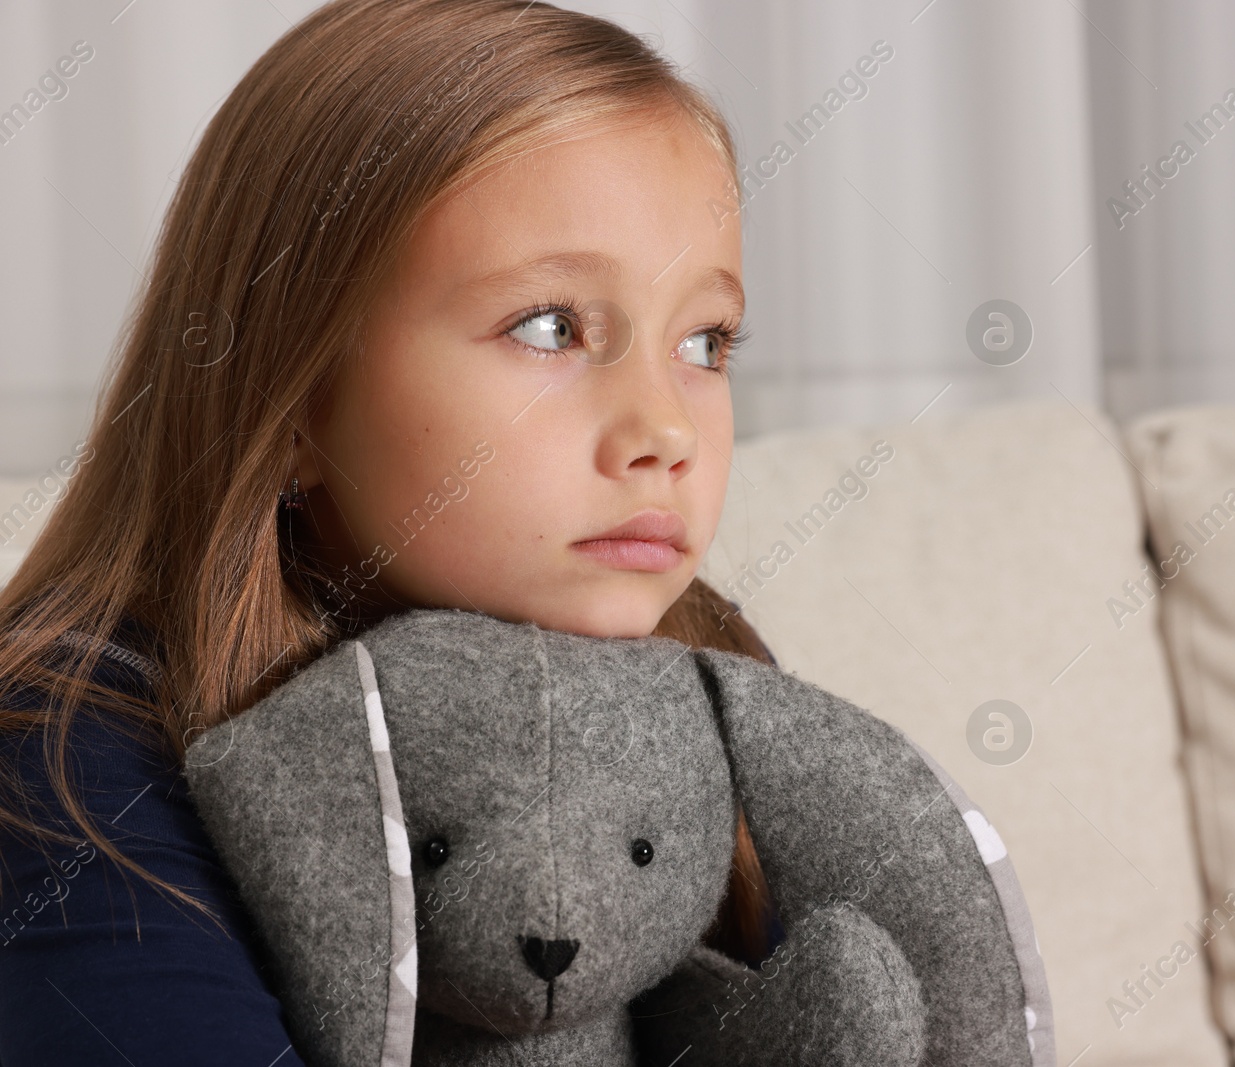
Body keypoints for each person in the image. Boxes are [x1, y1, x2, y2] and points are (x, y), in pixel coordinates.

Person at [0, 2, 781, 1062]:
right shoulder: (65, 748)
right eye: (551, 325)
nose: (665, 429)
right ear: (293, 403)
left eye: (705, 337)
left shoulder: (708, 661)